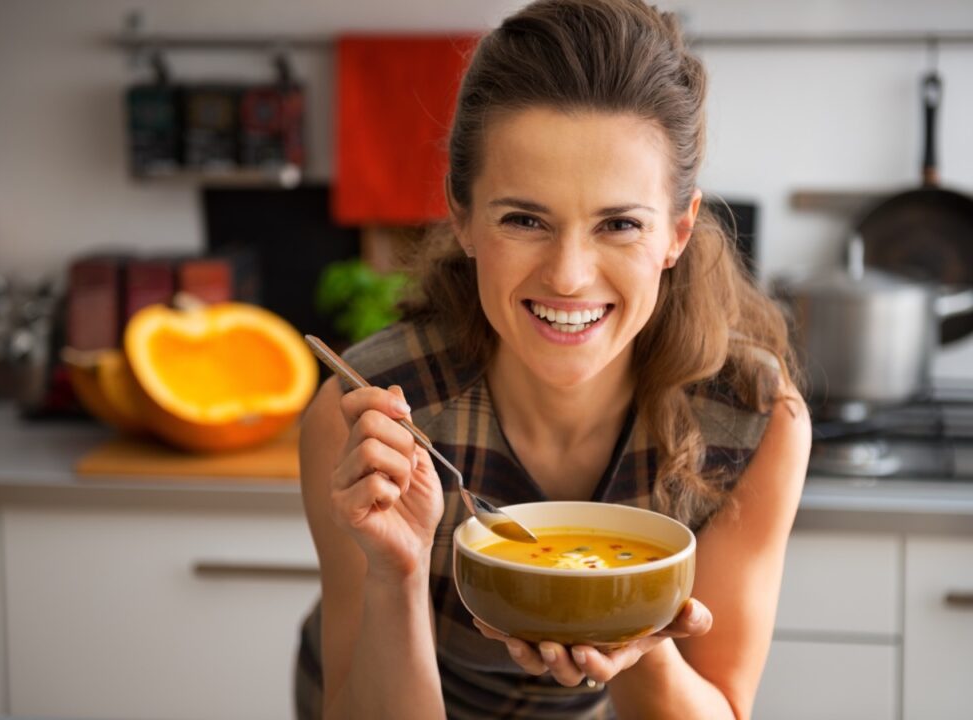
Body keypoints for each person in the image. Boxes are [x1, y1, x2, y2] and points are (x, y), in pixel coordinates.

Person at [294, 0, 811, 717]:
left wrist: (639, 633)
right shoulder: (371, 414)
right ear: (463, 217)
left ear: (678, 232)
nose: (568, 275)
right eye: (525, 219)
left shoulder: (754, 418)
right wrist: (398, 573)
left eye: (620, 224)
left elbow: (720, 705)